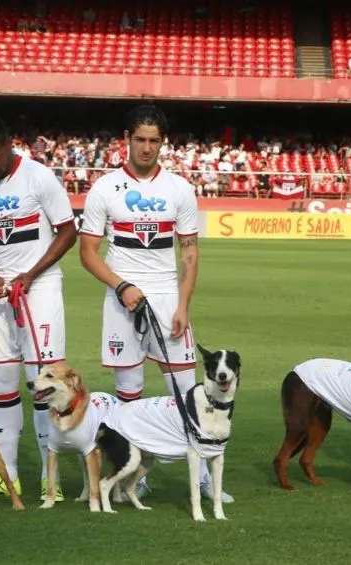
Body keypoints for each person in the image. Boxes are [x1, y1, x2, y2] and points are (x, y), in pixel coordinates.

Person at [78, 105, 232, 502]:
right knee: (129, 394)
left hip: (166, 300)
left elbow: (190, 251)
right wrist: (121, 286)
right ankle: (135, 476)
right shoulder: (104, 188)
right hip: (121, 300)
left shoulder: (179, 189)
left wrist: (183, 306)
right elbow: (88, 252)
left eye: (154, 141)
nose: (146, 148)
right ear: (127, 139)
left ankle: (202, 479)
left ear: (163, 143)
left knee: (188, 392)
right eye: (139, 139)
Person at [0, 113, 78, 501]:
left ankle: (50, 479)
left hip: (39, 290)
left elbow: (68, 231)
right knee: (1, 384)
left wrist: (31, 274)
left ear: (10, 144)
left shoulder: (39, 177)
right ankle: (6, 477)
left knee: (43, 385)